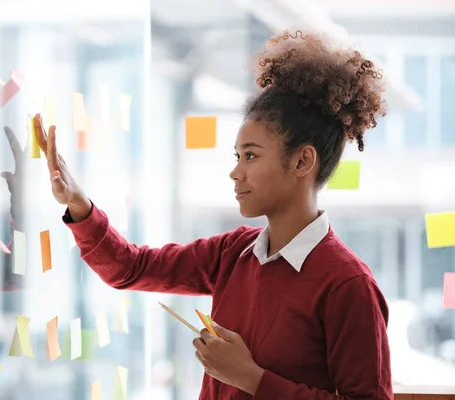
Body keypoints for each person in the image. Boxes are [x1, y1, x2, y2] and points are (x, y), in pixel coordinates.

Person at [30, 29, 393, 399]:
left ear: (302, 161)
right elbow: (130, 268)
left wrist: (251, 378)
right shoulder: (232, 253)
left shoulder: (348, 285)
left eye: (251, 155)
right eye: (237, 157)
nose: (236, 172)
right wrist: (78, 205)